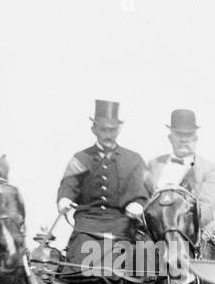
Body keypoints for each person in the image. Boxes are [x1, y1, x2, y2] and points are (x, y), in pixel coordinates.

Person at [56, 99, 148, 264]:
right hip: (87, 223)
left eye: (112, 130)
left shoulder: (134, 160)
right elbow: (69, 184)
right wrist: (64, 199)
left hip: (121, 224)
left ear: (119, 130)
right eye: (103, 129)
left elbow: (141, 192)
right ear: (94, 129)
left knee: (127, 267)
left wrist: (138, 204)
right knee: (77, 268)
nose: (108, 135)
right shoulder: (80, 158)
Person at [145, 108, 215, 235]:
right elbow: (145, 200)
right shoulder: (154, 164)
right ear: (170, 138)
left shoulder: (209, 169)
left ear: (196, 138)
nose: (184, 140)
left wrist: (175, 229)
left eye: (189, 135)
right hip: (154, 232)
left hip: (191, 234)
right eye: (179, 135)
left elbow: (206, 211)